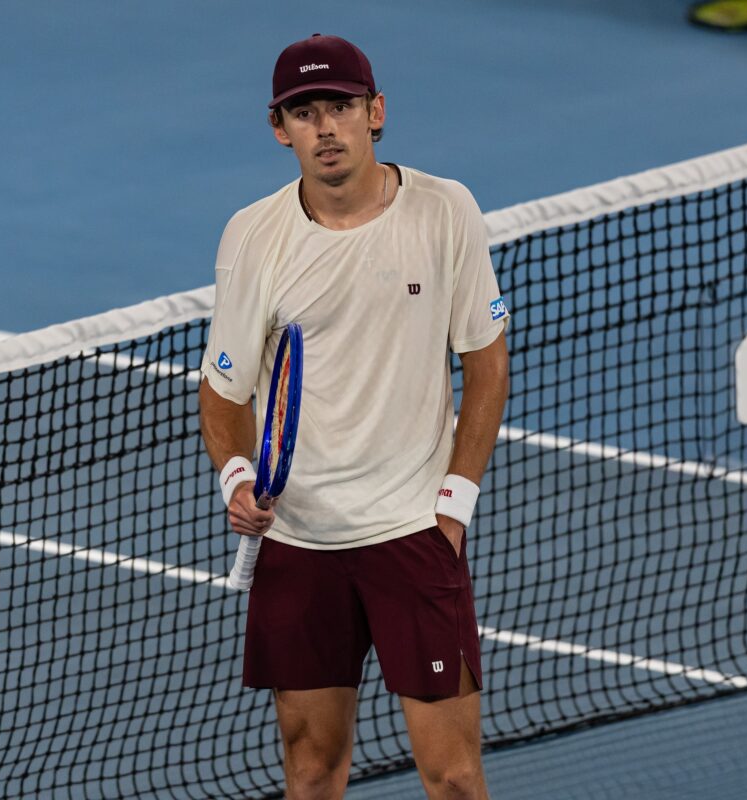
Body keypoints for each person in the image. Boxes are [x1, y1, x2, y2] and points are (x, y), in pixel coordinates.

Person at [198, 33, 510, 800]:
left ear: (376, 112)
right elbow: (224, 389)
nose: (326, 127)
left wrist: (454, 503)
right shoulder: (253, 237)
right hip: (298, 542)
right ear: (280, 129)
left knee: (454, 777)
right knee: (310, 773)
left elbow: (486, 361)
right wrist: (236, 477)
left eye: (340, 107)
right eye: (305, 113)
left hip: (412, 533)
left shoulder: (445, 211)